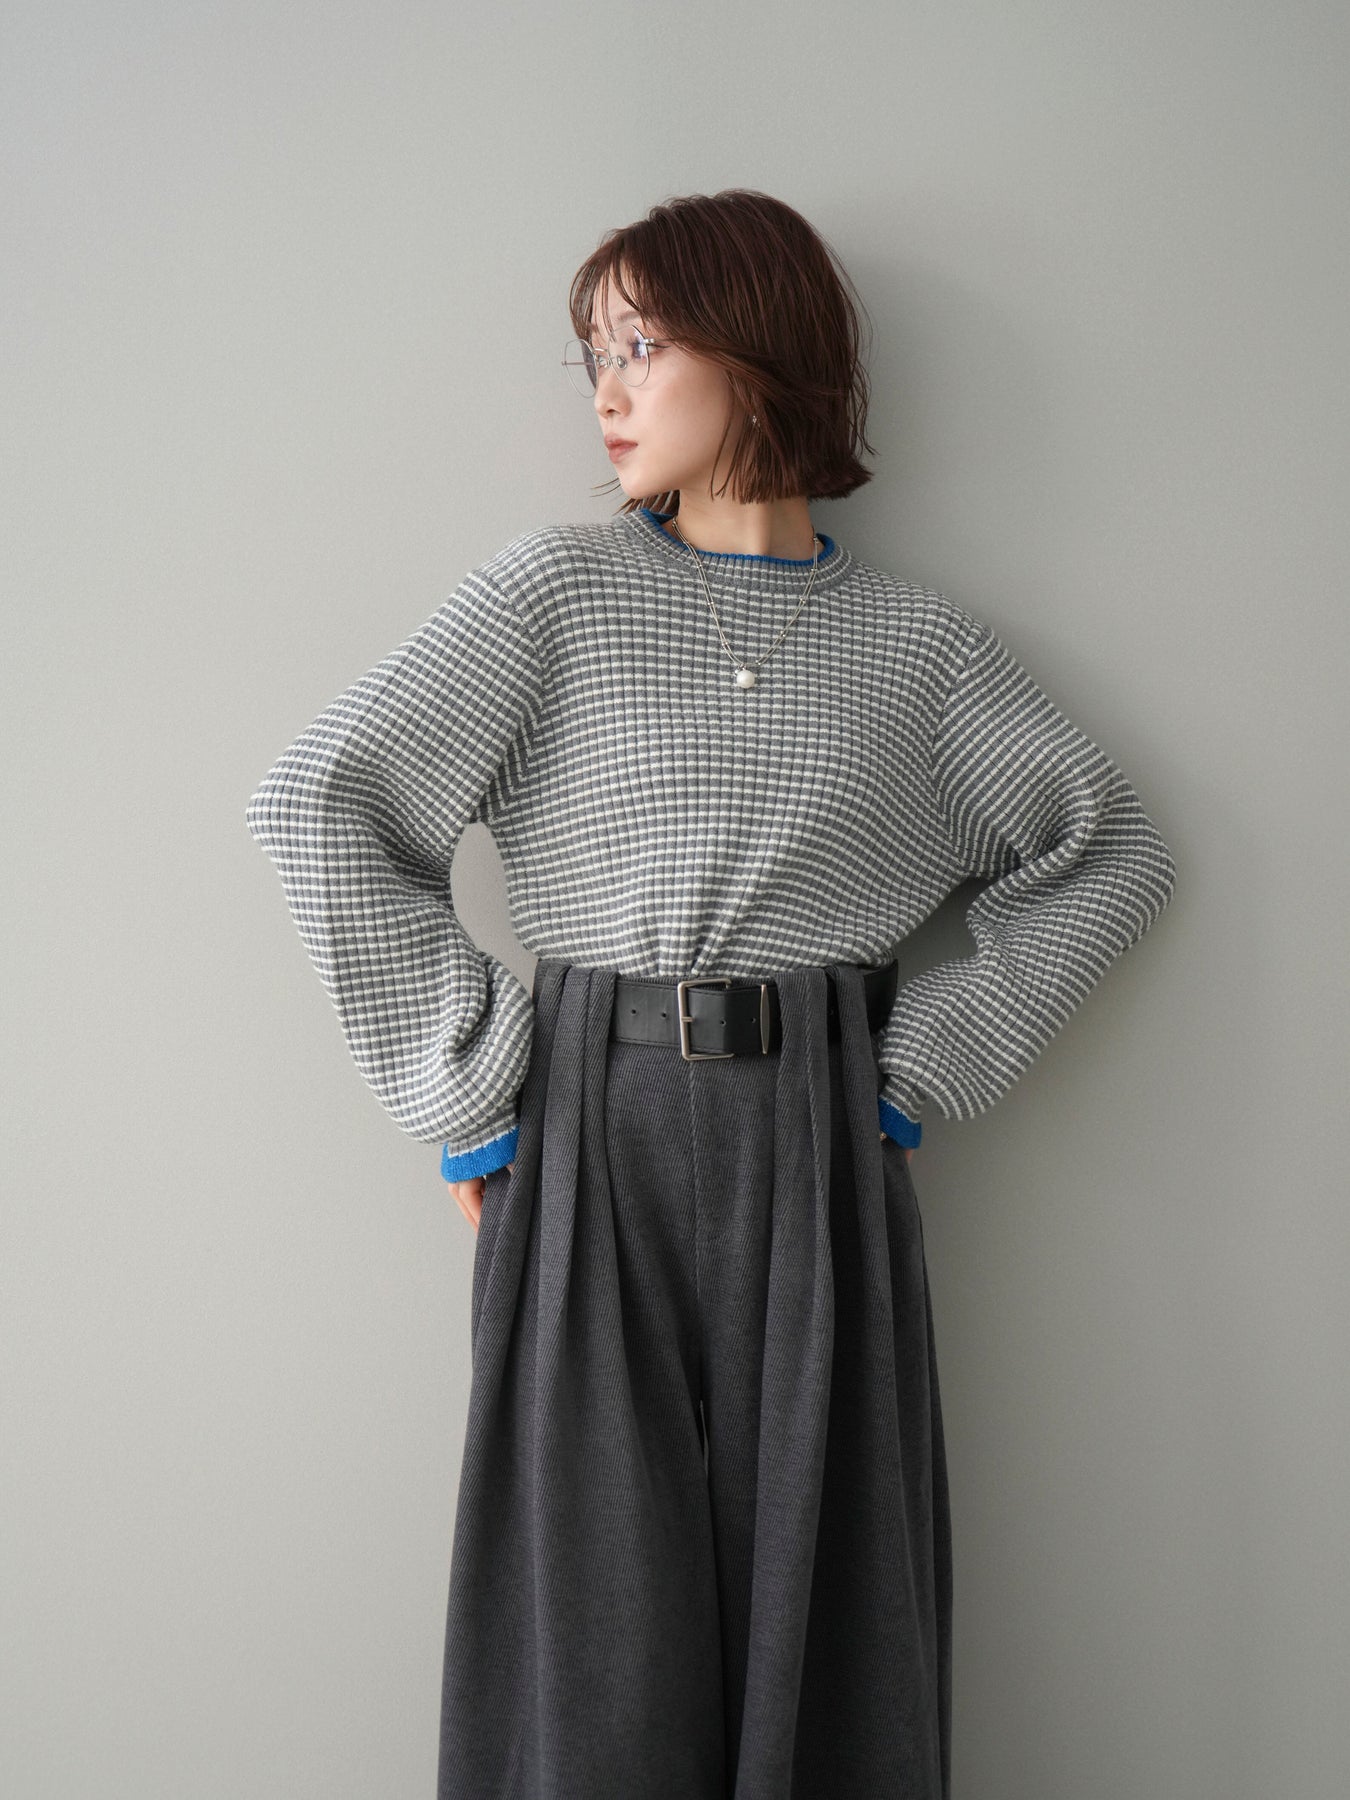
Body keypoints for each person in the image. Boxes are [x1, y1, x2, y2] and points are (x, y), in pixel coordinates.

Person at [245, 187, 1177, 1800]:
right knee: (591, 1635)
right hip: (587, 1131)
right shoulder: (553, 596)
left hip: (819, 1131)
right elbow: (321, 799)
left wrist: (917, 1072)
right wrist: (466, 1092)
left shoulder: (918, 653)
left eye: (641, 346)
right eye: (591, 357)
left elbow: (1108, 851)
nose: (605, 392)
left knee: (833, 1616)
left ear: (754, 352)